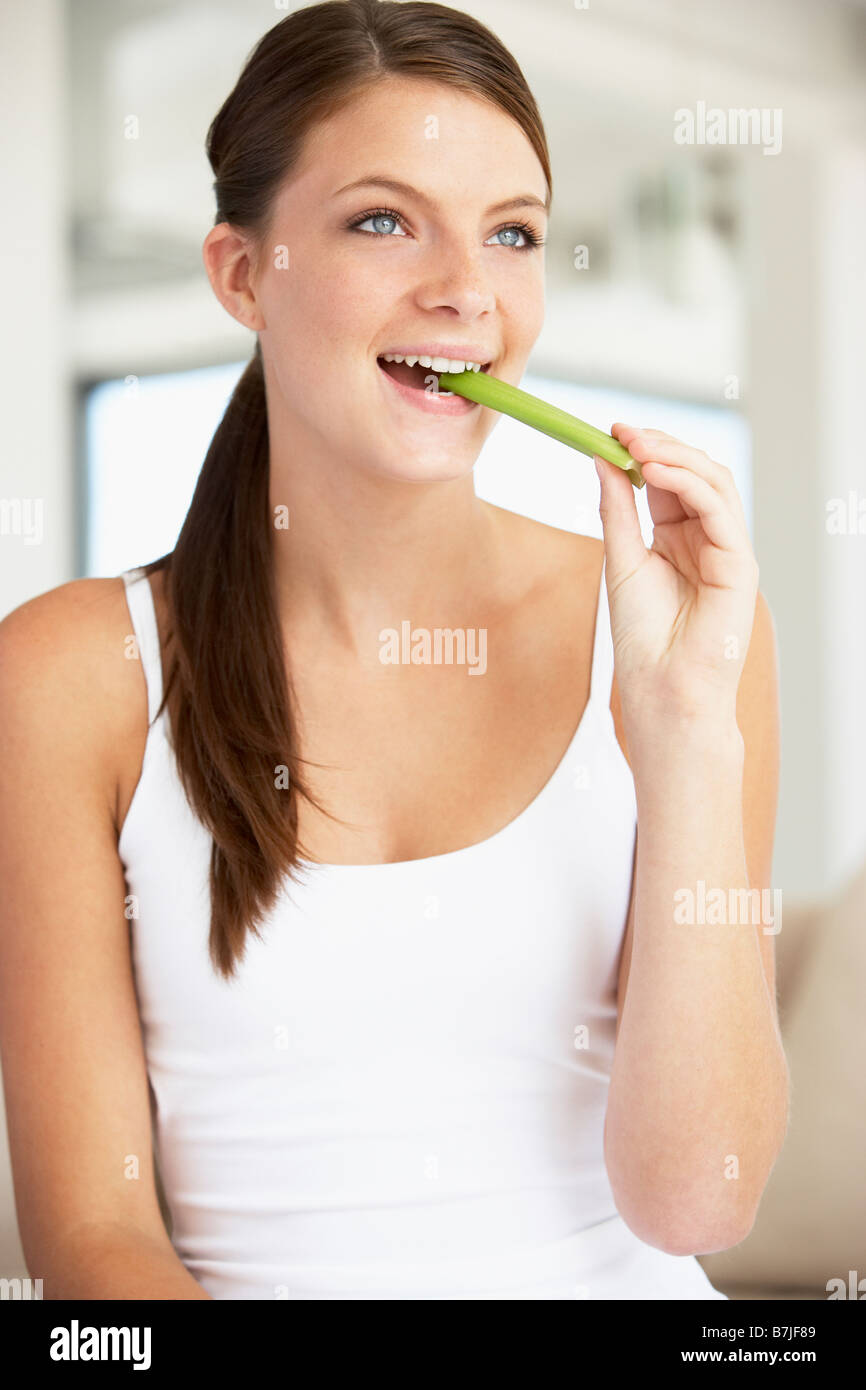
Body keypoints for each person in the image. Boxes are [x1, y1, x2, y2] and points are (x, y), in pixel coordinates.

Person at [0, 0, 788, 1300]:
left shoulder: (682, 637)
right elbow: (94, 1240)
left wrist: (687, 736)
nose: (465, 289)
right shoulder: (69, 678)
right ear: (243, 272)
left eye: (512, 233)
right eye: (382, 219)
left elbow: (696, 1191)